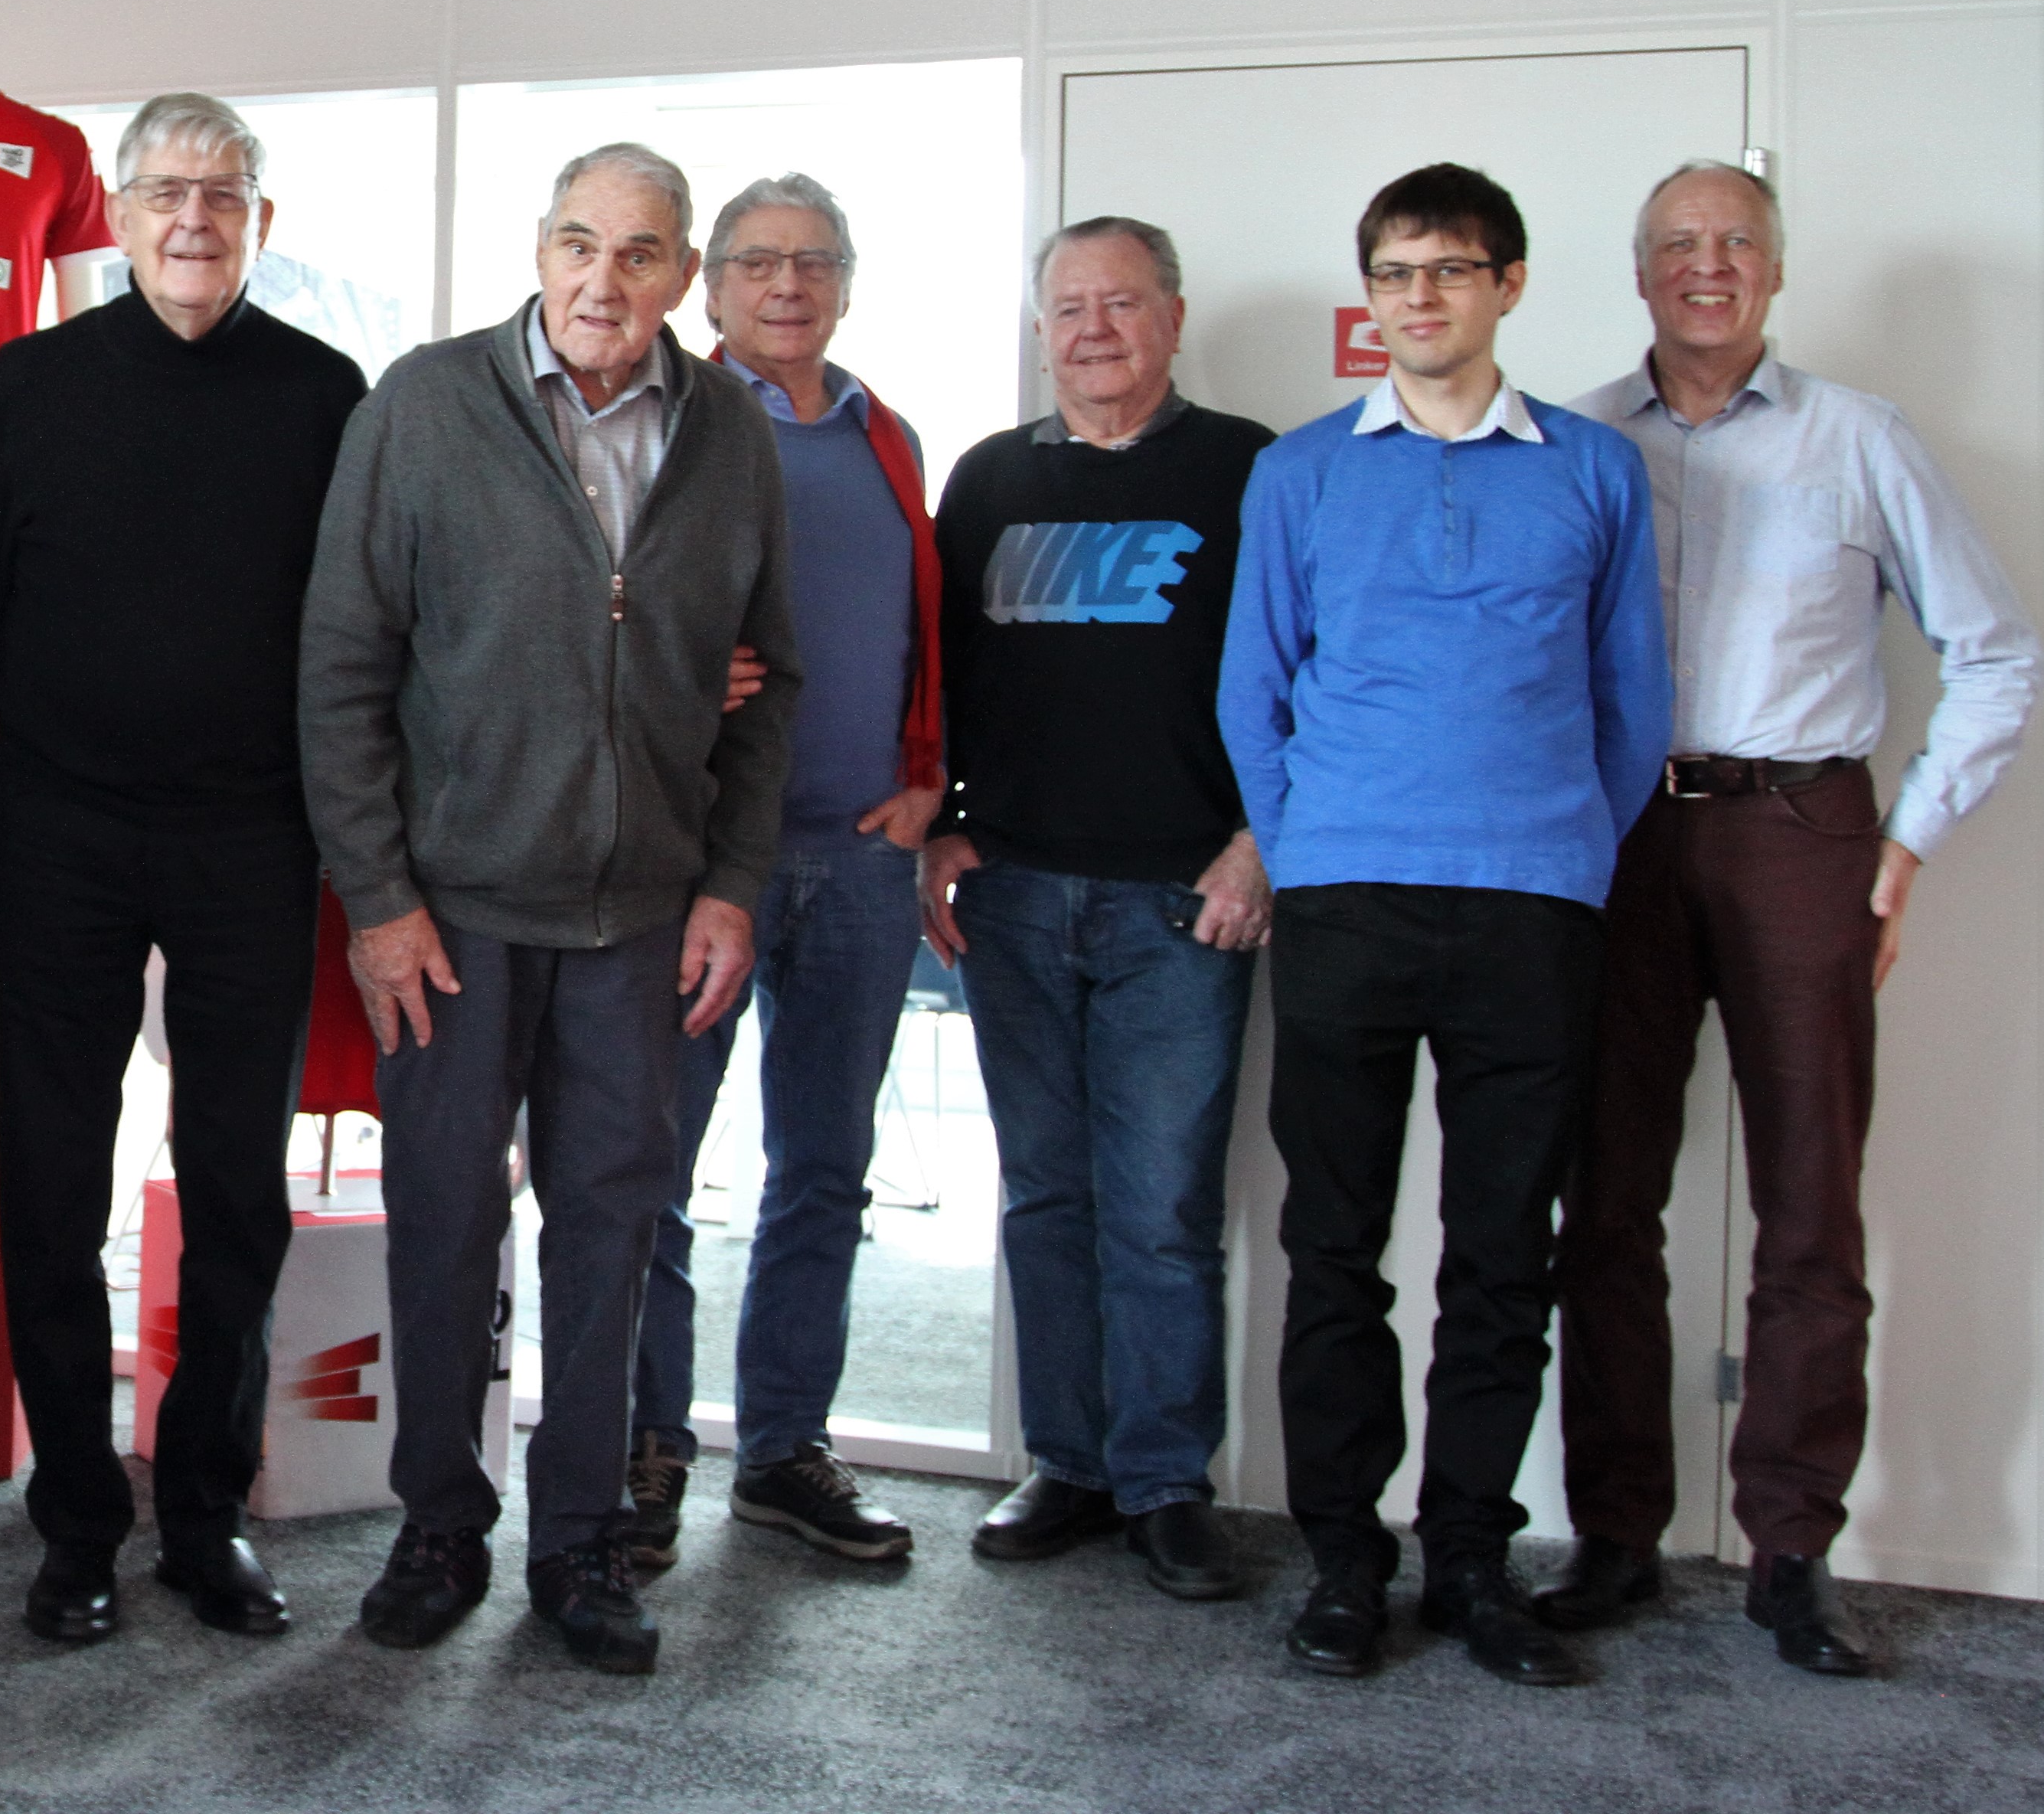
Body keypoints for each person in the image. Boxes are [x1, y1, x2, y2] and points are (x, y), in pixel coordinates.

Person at [302, 142, 798, 1675]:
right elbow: (342, 671)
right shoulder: (425, 406)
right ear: (539, 248)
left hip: (641, 912)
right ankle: (440, 1522)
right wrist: (378, 901)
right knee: (448, 1220)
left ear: (681, 276)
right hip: (454, 914)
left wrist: (728, 885)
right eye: (579, 244)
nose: (603, 282)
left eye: (641, 254)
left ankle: (579, 1545)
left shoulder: (729, 433)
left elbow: (769, 690)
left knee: (611, 1224)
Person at [1540, 159, 2036, 1675]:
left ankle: (1792, 1552)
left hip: (1803, 828)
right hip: (1619, 835)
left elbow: (1998, 653)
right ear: (1638, 275)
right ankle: (1618, 1534)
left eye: (1737, 242)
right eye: (1680, 244)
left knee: (1812, 1200)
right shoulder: (1577, 443)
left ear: (1774, 272)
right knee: (1604, 1198)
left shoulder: (1861, 440)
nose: (1709, 265)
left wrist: (1905, 847)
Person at [1220, 162, 1669, 1688]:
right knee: (1334, 1244)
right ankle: (1345, 1557)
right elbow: (1251, 687)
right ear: (1373, 297)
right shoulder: (1300, 472)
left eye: (1452, 271)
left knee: (1502, 1253)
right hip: (1347, 898)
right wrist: (1312, 845)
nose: (1421, 298)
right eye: (1397, 273)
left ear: (1510, 287)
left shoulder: (1597, 471)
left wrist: (1567, 854)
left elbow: (1633, 703)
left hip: (1533, 904)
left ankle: (1470, 1556)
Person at [0, 93, 369, 1646]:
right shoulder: (32, 380)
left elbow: (353, 625)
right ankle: (73, 1521)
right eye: (164, 192)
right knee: (50, 1180)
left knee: (234, 1183)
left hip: (252, 833)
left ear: (261, 220)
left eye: (223, 192)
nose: (192, 217)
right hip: (64, 826)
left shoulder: (326, 392)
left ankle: (202, 1514)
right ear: (118, 216)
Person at [919, 217, 1273, 1600]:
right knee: (1045, 1196)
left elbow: (1307, 666)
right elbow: (936, 676)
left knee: (1164, 1209)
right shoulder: (988, 479)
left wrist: (1257, 845)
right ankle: (1067, 1461)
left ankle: (1168, 1481)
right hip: (1009, 898)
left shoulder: (1250, 470)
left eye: (1121, 304)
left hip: (1180, 903)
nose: (1093, 331)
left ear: (1173, 319)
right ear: (1038, 329)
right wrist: (942, 822)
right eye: (1067, 308)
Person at [625, 172, 941, 1574]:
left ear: (847, 282)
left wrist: (929, 774)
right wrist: (673, 666)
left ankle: (783, 1452)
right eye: (756, 263)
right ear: (709, 287)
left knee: (824, 1170)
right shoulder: (665, 422)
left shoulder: (889, 438)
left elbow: (920, 626)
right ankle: (640, 1452)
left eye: (812, 262)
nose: (786, 287)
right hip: (697, 863)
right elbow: (591, 603)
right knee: (649, 1169)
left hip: (858, 862)